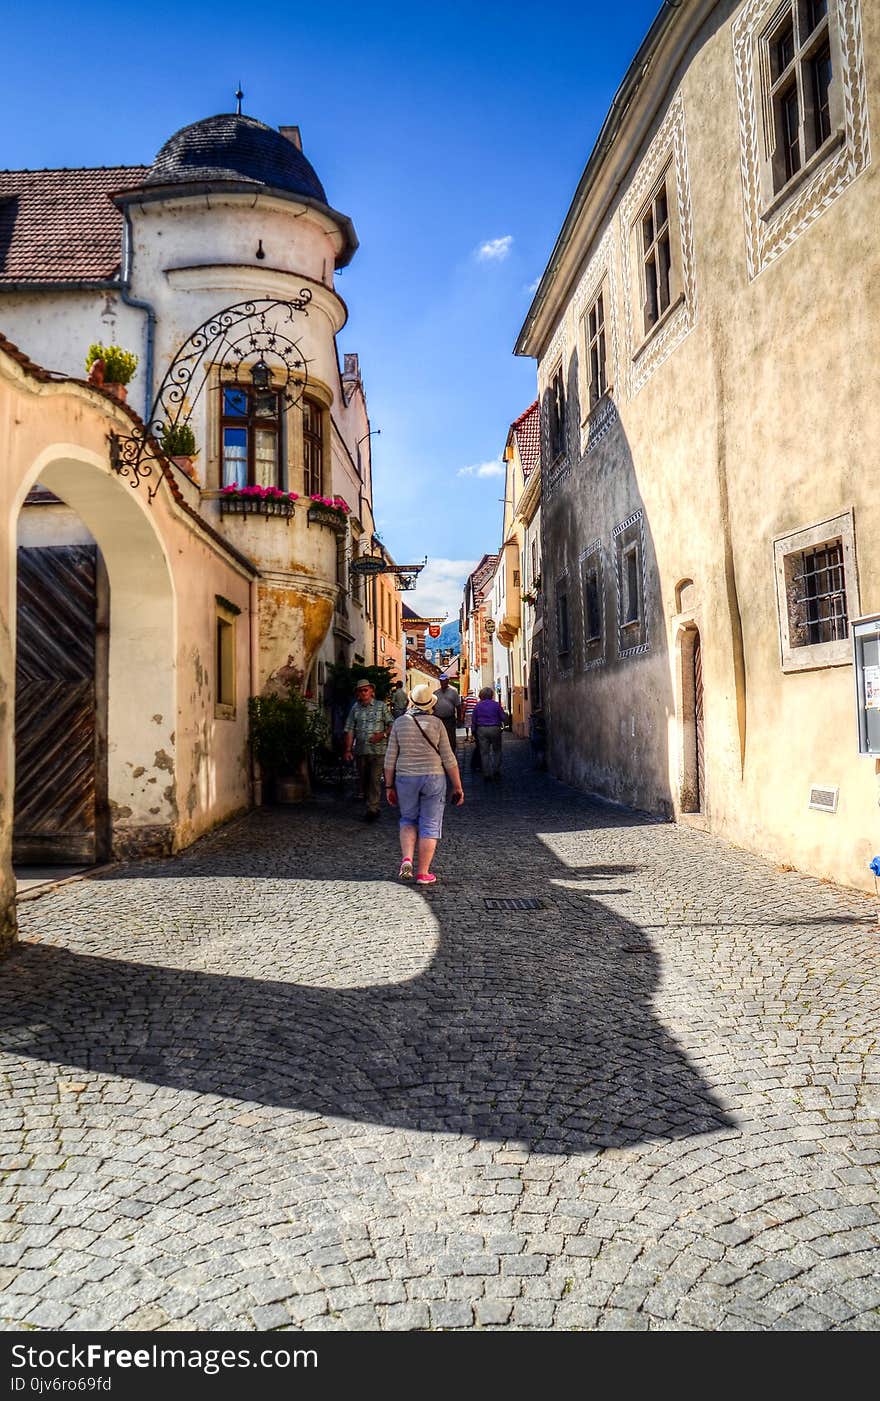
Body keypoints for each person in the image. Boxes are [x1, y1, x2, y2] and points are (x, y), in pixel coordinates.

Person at [385, 682, 464, 884]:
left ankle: (407, 858)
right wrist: (457, 786)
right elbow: (449, 758)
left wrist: (388, 785)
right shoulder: (437, 724)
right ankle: (423, 873)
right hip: (433, 777)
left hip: (405, 778)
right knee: (429, 825)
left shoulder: (400, 723)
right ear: (431, 704)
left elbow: (390, 758)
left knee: (408, 819)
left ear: (411, 701)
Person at [342, 679, 393, 822]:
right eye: (360, 690)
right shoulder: (355, 709)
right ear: (357, 694)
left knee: (375, 780)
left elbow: (392, 724)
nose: (363, 693)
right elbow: (350, 729)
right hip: (361, 750)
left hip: (379, 750)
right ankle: (369, 802)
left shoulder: (381, 706)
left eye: (366, 690)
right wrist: (348, 749)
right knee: (363, 780)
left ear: (372, 691)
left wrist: (382, 735)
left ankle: (373, 809)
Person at [471, 685, 506, 780]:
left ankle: (486, 773)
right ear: (491, 695)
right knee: (497, 750)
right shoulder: (496, 704)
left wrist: (473, 731)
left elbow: (474, 720)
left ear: (481, 695)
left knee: (484, 752)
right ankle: (496, 770)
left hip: (482, 729)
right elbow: (503, 717)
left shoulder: (478, 706)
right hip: (495, 728)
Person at [432, 674, 462, 753]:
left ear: (448, 681)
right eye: (441, 681)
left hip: (449, 719)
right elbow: (432, 706)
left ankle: (452, 752)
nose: (443, 682)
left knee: (451, 737)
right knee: (438, 737)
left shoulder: (453, 692)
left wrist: (459, 720)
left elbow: (458, 707)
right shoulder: (435, 693)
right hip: (438, 719)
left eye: (445, 680)